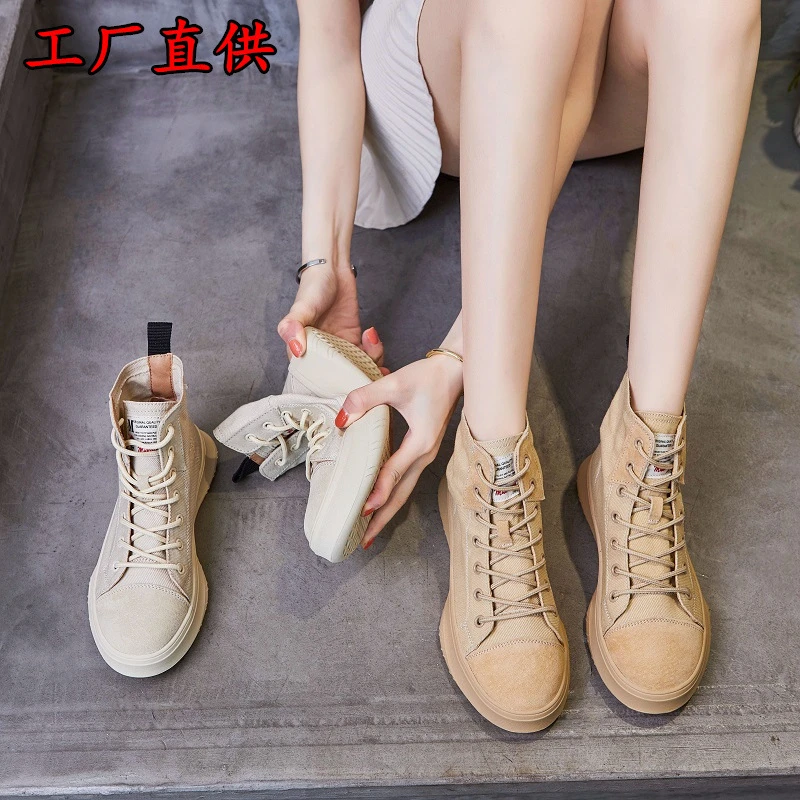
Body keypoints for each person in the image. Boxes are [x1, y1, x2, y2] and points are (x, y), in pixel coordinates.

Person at [277, 0, 760, 729]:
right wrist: (326, 262)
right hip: (456, 64)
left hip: (607, 69)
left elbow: (589, 49)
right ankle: (493, 453)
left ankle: (645, 450)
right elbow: (329, 36)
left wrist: (458, 351)